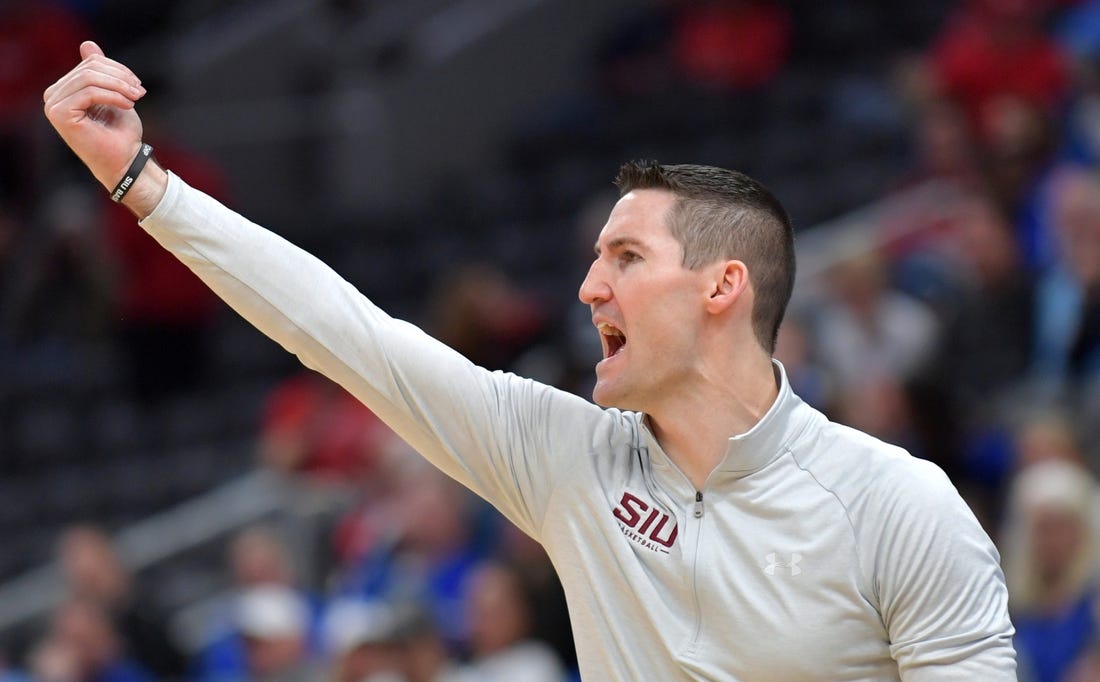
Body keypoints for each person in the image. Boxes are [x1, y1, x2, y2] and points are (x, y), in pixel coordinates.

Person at [44, 41, 1016, 679]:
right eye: (593, 260)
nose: (589, 287)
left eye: (625, 258)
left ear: (721, 288)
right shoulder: (564, 455)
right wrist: (143, 184)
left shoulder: (897, 507)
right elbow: (344, 331)